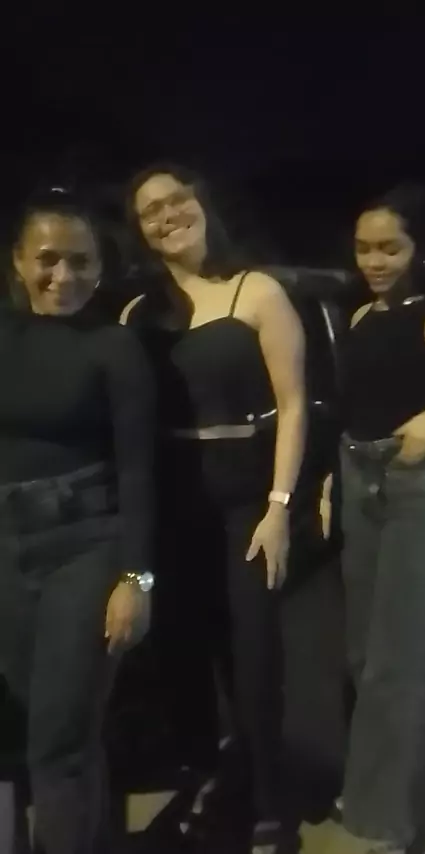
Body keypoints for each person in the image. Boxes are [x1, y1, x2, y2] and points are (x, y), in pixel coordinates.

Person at [121, 163, 306, 849]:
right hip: (175, 502)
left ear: (202, 204)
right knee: (185, 658)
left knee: (254, 659)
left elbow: (293, 405)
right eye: (150, 211)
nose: (167, 215)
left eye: (176, 200)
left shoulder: (257, 290)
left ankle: (270, 800)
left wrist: (280, 505)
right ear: (140, 231)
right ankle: (210, 781)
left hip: (245, 498)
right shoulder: (140, 313)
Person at [320, 186, 425, 854]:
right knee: (365, 654)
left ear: (421, 249)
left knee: (396, 663)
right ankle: (376, 784)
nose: (375, 261)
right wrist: (331, 477)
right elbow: (354, 403)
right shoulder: (360, 317)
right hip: (359, 480)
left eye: (390, 247)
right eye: (364, 248)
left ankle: (383, 822)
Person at [0, 186, 155, 854]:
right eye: (48, 259)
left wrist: (136, 580)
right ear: (18, 260)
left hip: (86, 549)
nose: (63, 276)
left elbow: (140, 471)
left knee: (58, 742)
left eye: (81, 261)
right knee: (55, 730)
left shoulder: (114, 348)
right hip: (8, 551)